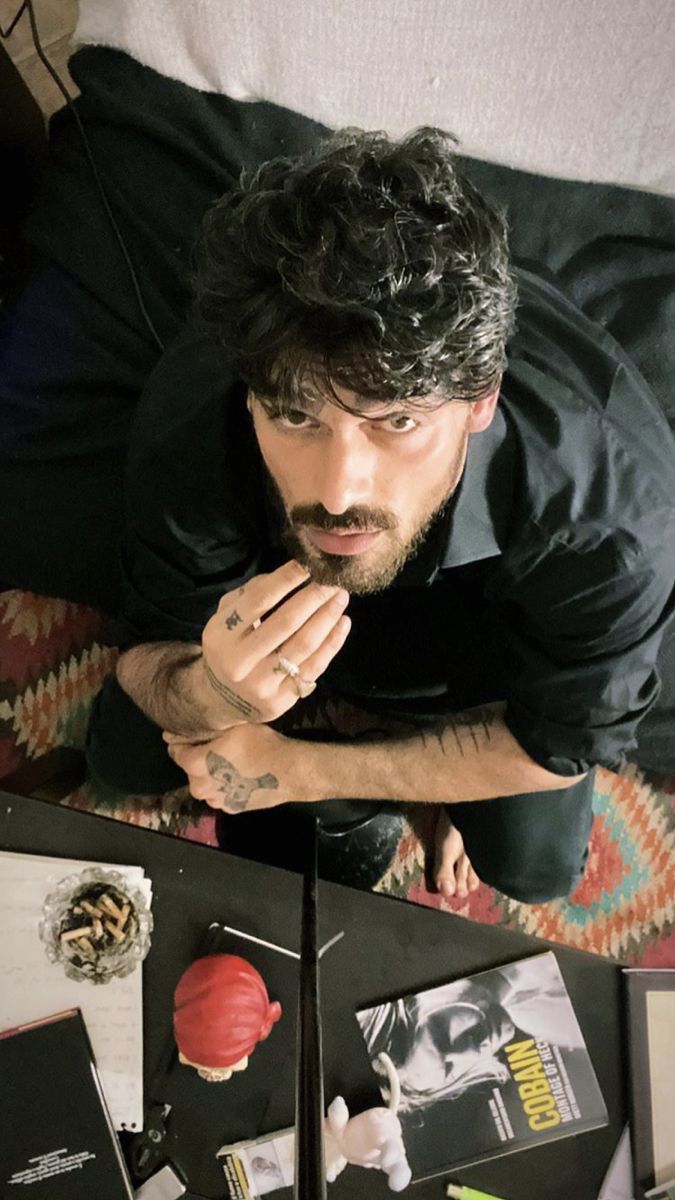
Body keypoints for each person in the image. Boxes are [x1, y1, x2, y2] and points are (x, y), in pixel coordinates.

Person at [84, 124, 675, 903]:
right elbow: (150, 639)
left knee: (531, 871)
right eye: (297, 419)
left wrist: (301, 772)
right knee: (122, 761)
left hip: (490, 665)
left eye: (395, 422)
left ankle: (417, 790)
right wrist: (218, 693)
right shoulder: (203, 404)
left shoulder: (609, 517)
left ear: (477, 403)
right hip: (269, 626)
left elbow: (559, 743)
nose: (336, 492)